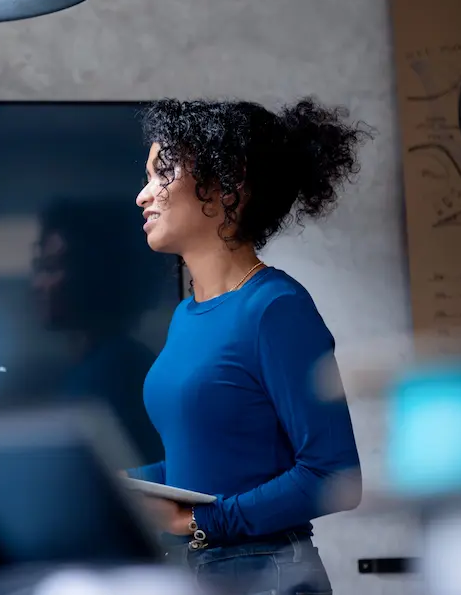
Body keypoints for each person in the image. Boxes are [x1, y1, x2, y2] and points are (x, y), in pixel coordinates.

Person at [128, 98, 367, 595]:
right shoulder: (185, 315)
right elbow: (206, 460)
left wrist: (204, 521)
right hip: (198, 570)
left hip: (267, 573)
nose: (142, 196)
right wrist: (117, 483)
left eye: (162, 174)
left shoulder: (276, 307)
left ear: (226, 183)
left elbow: (334, 474)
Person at [31, 198, 167, 464]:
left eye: (53, 267)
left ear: (94, 274)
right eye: (41, 267)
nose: (39, 284)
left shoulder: (114, 374)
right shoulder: (112, 365)